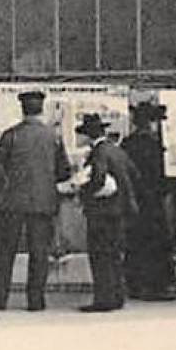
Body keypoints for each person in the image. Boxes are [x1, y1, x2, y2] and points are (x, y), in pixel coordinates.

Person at [0, 90, 72, 312]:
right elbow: (63, 172)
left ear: (22, 109)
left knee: (6, 252)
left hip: (12, 203)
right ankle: (36, 301)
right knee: (39, 254)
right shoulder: (53, 137)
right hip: (43, 203)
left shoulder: (10, 136)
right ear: (41, 109)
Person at [61, 113, 138, 313]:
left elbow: (98, 178)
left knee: (100, 255)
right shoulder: (117, 151)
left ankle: (103, 299)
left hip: (101, 211)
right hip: (119, 210)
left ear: (88, 135)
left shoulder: (98, 153)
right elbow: (134, 174)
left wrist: (83, 191)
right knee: (114, 255)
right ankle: (117, 296)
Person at [122, 101, 176, 301]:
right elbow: (162, 177)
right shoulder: (155, 146)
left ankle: (135, 284)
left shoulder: (128, 144)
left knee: (135, 241)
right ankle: (157, 286)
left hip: (135, 200)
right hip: (153, 202)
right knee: (156, 243)